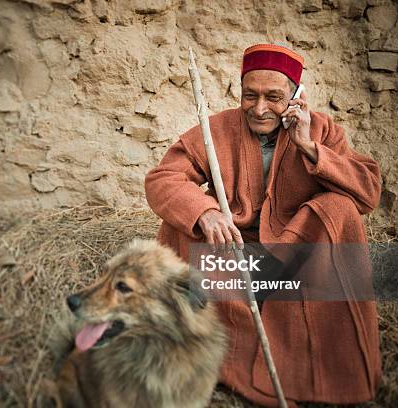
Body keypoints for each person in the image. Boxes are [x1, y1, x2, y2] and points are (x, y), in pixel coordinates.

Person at [145, 44, 382, 407]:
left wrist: (309, 146)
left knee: (339, 208)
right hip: (232, 254)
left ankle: (321, 367)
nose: (259, 108)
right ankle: (213, 354)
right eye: (249, 95)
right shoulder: (217, 129)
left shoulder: (321, 129)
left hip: (297, 258)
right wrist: (204, 211)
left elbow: (367, 194)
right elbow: (164, 178)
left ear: (296, 96)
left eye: (273, 97)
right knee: (181, 220)